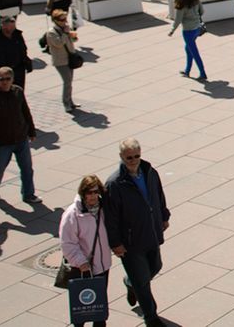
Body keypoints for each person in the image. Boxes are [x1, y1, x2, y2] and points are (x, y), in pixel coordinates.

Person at [105, 138, 170, 327]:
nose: (133, 160)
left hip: (150, 233)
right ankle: (151, 317)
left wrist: (163, 216)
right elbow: (111, 218)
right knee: (142, 282)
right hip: (130, 242)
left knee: (156, 266)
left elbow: (159, 195)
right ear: (121, 157)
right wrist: (115, 243)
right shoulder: (115, 184)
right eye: (129, 157)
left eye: (136, 156)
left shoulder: (150, 172)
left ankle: (130, 282)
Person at [0, 67, 39, 204]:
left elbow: (25, 112)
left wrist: (31, 131)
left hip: (21, 138)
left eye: (7, 79)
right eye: (1, 79)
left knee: (27, 169)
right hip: (2, 141)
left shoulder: (18, 91)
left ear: (12, 79)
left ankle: (29, 194)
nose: (4, 82)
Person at [60, 175, 112, 327]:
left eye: (96, 192)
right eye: (89, 192)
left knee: (99, 310)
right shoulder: (72, 214)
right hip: (83, 268)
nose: (93, 196)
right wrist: (81, 262)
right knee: (82, 310)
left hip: (102, 266)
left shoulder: (104, 209)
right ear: (83, 193)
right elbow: (67, 243)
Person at [168, 0, 206, 80]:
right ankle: (187, 70)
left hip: (188, 30)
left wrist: (172, 30)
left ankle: (202, 73)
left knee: (194, 52)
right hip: (197, 28)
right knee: (188, 49)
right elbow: (202, 11)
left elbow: (178, 20)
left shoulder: (181, 4)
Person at [46, 8, 80, 112]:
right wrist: (65, 34)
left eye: (65, 19)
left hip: (69, 59)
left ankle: (70, 101)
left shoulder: (65, 28)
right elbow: (59, 44)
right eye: (62, 19)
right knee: (67, 81)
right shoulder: (51, 33)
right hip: (60, 61)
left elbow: (72, 41)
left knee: (69, 81)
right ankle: (66, 103)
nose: (65, 21)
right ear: (55, 20)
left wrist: (73, 36)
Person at [0, 15, 32, 91]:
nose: (13, 29)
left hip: (19, 71)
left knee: (19, 92)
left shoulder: (17, 35)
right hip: (5, 75)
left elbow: (23, 50)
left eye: (14, 26)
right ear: (3, 26)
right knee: (6, 93)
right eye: (11, 27)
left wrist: (27, 62)